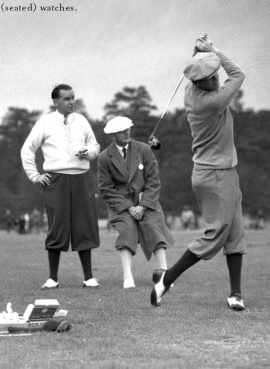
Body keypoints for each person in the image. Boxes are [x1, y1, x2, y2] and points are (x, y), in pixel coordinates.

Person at [151, 35, 246, 311]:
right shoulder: (213, 101)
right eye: (209, 77)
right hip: (216, 175)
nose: (215, 79)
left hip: (223, 171)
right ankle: (167, 279)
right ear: (198, 82)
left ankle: (236, 294)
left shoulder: (192, 92)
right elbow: (238, 74)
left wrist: (200, 55)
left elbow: (207, 71)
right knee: (215, 234)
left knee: (236, 233)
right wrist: (213, 50)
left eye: (215, 74)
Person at [21, 84, 101, 289]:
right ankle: (52, 278)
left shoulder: (81, 120)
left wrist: (88, 152)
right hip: (56, 179)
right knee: (57, 226)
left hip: (81, 177)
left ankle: (89, 277)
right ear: (56, 101)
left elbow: (95, 145)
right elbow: (27, 149)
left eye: (73, 98)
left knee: (85, 225)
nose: (71, 102)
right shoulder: (45, 122)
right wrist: (35, 176)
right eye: (66, 99)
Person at [98, 116, 174, 289]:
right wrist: (130, 207)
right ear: (113, 134)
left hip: (147, 204)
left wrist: (143, 205)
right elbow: (106, 189)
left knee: (154, 227)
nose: (127, 132)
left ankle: (164, 275)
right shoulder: (104, 157)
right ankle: (127, 276)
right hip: (121, 207)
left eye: (128, 129)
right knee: (127, 230)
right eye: (122, 130)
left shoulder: (144, 149)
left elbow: (153, 181)